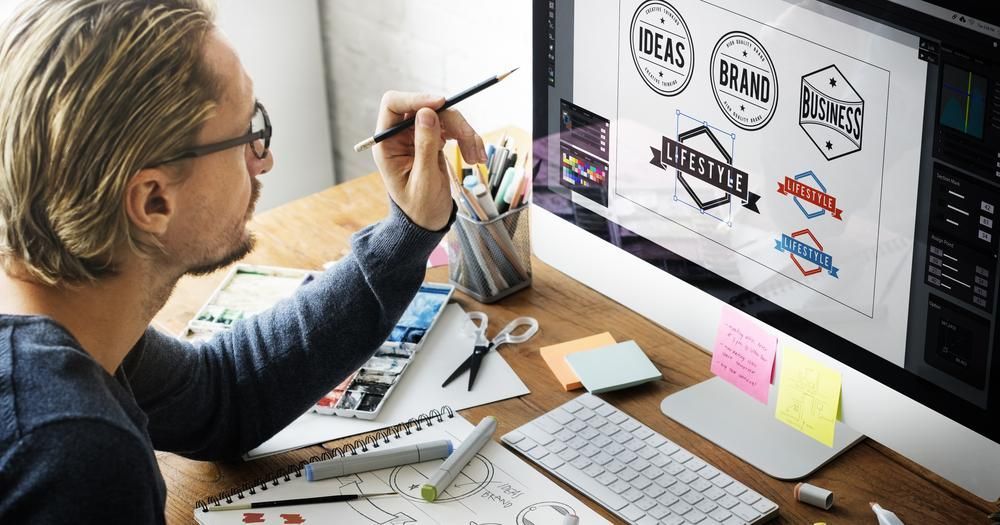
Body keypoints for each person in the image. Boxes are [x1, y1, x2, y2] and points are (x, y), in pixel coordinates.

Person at [0, 0, 487, 522]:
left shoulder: (70, 317)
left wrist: (409, 230)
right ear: (153, 201)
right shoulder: (73, 455)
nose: (264, 159)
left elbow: (220, 397)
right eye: (246, 134)